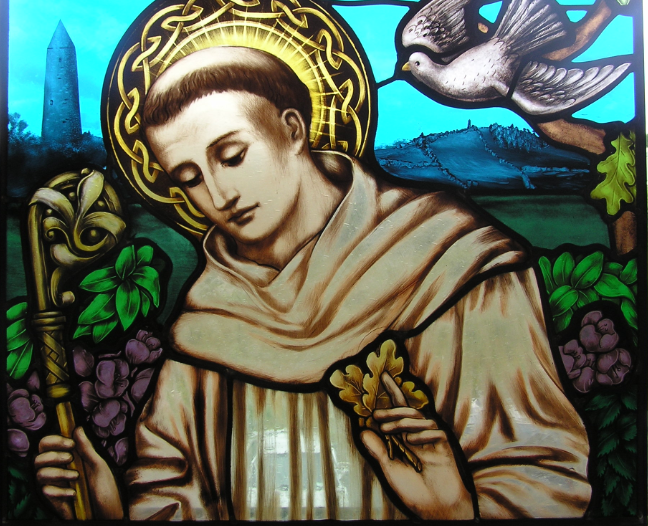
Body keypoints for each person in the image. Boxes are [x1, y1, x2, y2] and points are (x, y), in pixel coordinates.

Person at [36, 46, 591, 520]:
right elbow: (173, 489)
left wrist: (455, 511)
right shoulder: (211, 320)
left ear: (293, 129)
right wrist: (110, 510)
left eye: (232, 156)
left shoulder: (448, 259)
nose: (220, 194)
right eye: (190, 178)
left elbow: (542, 475)